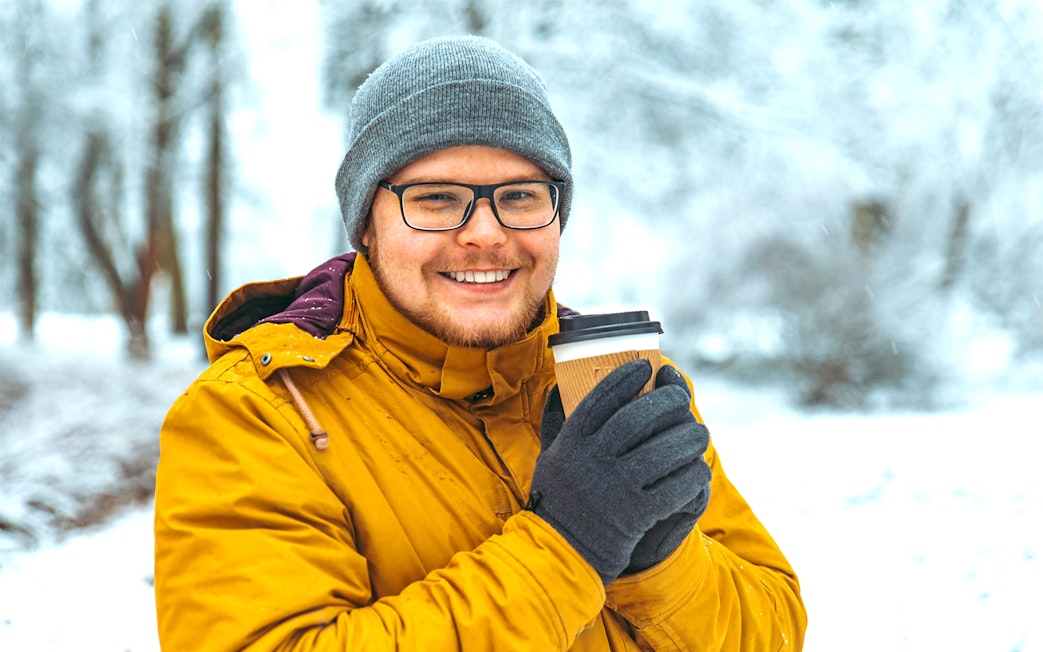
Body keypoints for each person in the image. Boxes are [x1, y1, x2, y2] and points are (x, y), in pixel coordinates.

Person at [154, 35, 806, 650]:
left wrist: (662, 562)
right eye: (437, 199)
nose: (486, 234)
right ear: (367, 227)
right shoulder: (254, 417)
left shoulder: (612, 385)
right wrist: (566, 544)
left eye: (520, 196)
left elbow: (773, 629)